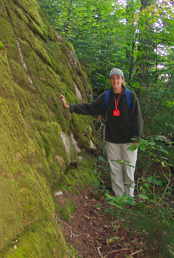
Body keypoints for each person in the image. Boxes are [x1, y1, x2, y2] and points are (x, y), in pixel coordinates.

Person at [61, 68, 143, 197]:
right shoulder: (106, 97)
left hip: (129, 141)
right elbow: (91, 107)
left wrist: (136, 138)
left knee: (129, 170)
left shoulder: (130, 96)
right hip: (112, 140)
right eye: (113, 78)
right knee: (115, 170)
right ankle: (119, 198)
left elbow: (137, 118)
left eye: (118, 78)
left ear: (122, 80)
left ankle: (129, 199)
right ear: (110, 80)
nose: (115, 80)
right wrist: (70, 107)